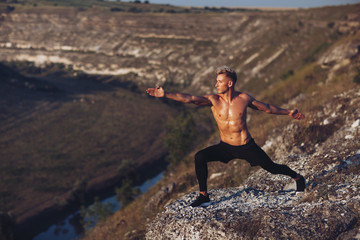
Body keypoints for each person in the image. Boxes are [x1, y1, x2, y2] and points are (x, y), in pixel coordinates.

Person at [146, 66, 306, 207]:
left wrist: (288, 112)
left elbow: (267, 108)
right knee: (200, 157)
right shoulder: (213, 100)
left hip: (247, 146)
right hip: (225, 147)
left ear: (229, 83)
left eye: (219, 81)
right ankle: (203, 195)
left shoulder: (244, 98)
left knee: (272, 168)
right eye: (216, 81)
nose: (216, 84)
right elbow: (190, 99)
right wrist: (166, 94)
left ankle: (297, 177)